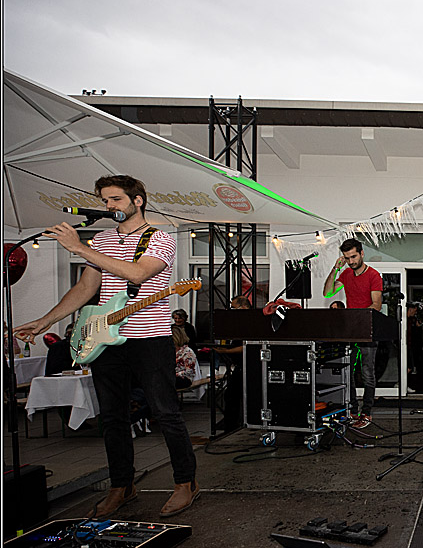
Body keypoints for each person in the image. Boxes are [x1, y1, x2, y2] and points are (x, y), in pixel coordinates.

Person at [14, 174, 198, 518]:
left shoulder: (160, 238)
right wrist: (46, 320)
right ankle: (121, 486)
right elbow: (86, 289)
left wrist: (79, 248)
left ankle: (185, 482)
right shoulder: (101, 239)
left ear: (137, 201)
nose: (109, 206)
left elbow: (138, 275)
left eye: (115, 199)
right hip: (106, 341)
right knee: (112, 418)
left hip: (149, 339)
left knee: (165, 412)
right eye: (105, 200)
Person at [324, 238, 382, 428]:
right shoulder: (346, 274)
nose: (351, 261)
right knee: (347, 372)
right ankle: (352, 411)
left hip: (367, 331)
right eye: (347, 258)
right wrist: (335, 269)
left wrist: (360, 320)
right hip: (350, 332)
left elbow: (376, 305)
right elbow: (327, 293)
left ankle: (366, 413)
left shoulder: (374, 275)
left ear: (362, 253)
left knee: (367, 373)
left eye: (354, 256)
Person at [210, 295, 251, 430]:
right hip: (239, 366)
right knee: (231, 395)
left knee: (236, 395)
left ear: (244, 307)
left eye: (235, 308)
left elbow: (247, 346)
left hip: (248, 366)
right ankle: (231, 423)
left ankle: (235, 423)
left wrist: (227, 351)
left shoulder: (251, 323)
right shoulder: (239, 324)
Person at [173, 325, 199, 390]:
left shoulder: (187, 352)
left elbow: (189, 371)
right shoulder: (170, 351)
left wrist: (175, 374)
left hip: (185, 378)